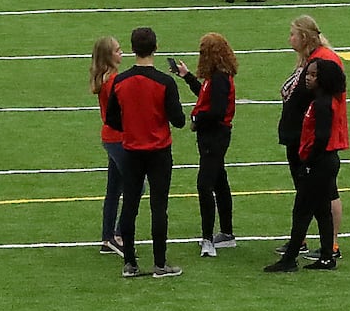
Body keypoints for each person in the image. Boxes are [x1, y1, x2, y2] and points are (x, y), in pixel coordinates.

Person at [107, 26, 186, 279]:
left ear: (132, 49)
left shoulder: (120, 82)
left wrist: (131, 125)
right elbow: (178, 120)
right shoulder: (165, 82)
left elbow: (112, 120)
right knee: (158, 206)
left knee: (129, 205)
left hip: (131, 150)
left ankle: (130, 263)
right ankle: (160, 264)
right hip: (159, 151)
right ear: (156, 48)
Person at [265, 56, 348, 272]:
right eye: (308, 74)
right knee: (321, 210)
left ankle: (290, 258)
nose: (308, 79)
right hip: (326, 162)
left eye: (313, 75)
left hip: (320, 162)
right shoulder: (322, 100)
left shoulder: (322, 103)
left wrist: (308, 163)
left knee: (302, 210)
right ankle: (327, 257)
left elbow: (321, 137)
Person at [275, 15, 345, 262]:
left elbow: (328, 98)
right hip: (305, 135)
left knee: (325, 192)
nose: (289, 39)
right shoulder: (312, 59)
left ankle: (330, 245)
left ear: (304, 37)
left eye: (293, 34)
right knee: (309, 192)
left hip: (316, 138)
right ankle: (308, 243)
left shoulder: (323, 61)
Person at [174, 33, 238, 257]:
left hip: (214, 136)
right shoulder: (217, 76)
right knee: (219, 180)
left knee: (205, 184)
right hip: (213, 135)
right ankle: (227, 234)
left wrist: (197, 120)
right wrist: (187, 76)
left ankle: (208, 239)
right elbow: (204, 95)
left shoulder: (219, 78)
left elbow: (217, 111)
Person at [89, 35, 126, 257]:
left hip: (110, 137)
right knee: (136, 187)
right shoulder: (114, 81)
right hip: (119, 138)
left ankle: (107, 237)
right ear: (108, 56)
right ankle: (118, 234)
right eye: (118, 50)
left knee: (113, 189)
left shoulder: (104, 78)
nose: (122, 53)